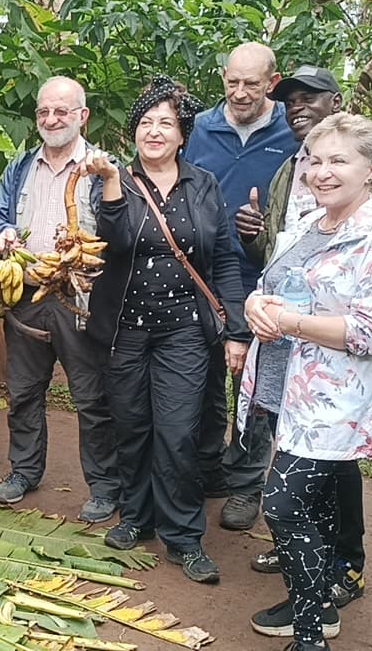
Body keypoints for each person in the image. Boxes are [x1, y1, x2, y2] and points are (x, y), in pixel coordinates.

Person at [233, 65, 372, 608]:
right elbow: (278, 257)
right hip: (294, 365)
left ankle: (341, 570)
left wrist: (298, 315)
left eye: (309, 98)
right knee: (306, 486)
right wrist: (259, 287)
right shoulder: (290, 175)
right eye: (290, 100)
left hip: (337, 369)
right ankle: (310, 562)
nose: (298, 108)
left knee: (317, 482)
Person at [83, 76, 250, 584]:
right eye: (146, 123)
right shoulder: (114, 179)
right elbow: (110, 238)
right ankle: (137, 517)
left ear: (183, 135)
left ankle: (183, 535)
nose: (154, 131)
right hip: (125, 328)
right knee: (132, 428)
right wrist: (112, 182)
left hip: (183, 331)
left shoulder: (204, 185)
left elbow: (222, 257)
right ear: (134, 131)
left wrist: (236, 328)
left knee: (178, 433)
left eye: (166, 124)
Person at [0, 76, 119, 523]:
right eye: (44, 111)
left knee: (89, 396)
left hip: (79, 296)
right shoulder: (21, 166)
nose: (51, 119)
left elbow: (117, 228)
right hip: (27, 292)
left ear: (82, 116)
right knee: (23, 392)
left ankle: (103, 486)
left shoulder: (102, 168)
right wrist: (0, 233)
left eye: (61, 111)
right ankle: (24, 470)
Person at [181, 42, 300, 532]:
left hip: (266, 280)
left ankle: (247, 483)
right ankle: (213, 469)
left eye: (252, 83)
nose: (241, 92)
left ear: (272, 83)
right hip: (202, 279)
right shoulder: (201, 128)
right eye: (233, 82)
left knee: (254, 390)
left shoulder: (290, 131)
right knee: (204, 381)